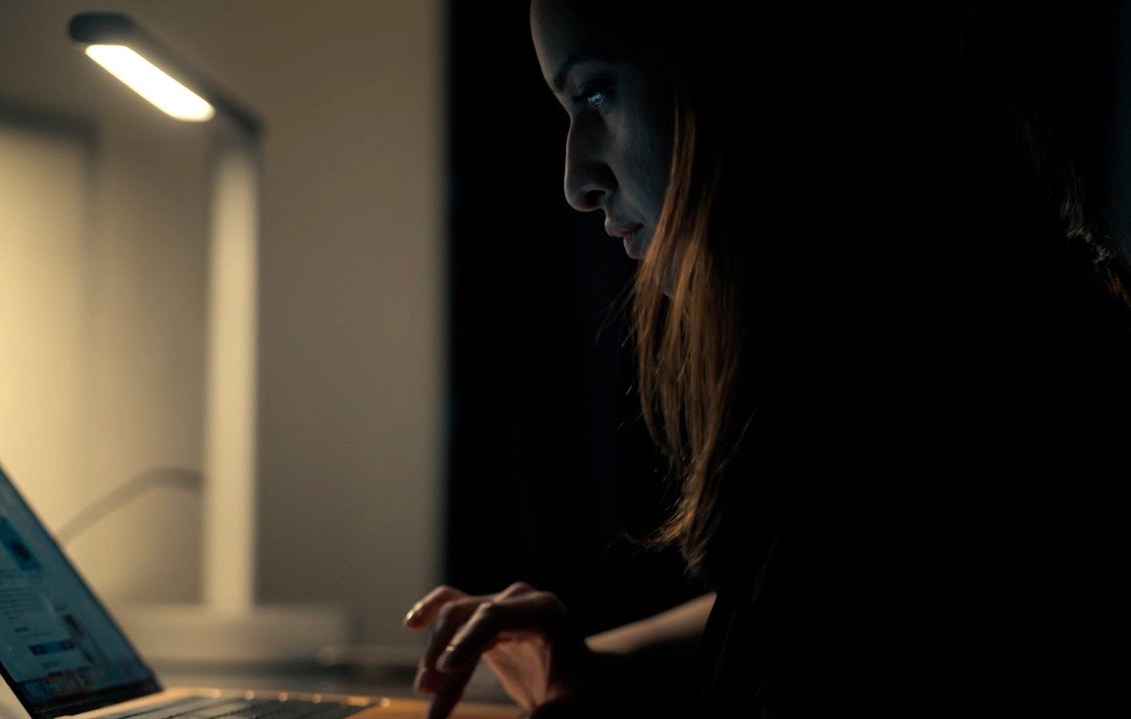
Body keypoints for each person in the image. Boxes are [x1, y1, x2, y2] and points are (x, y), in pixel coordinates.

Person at [407, 1, 1131, 717]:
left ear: (739, 63)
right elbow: (821, 609)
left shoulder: (937, 391)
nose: (576, 181)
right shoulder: (913, 329)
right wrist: (603, 663)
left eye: (597, 91)